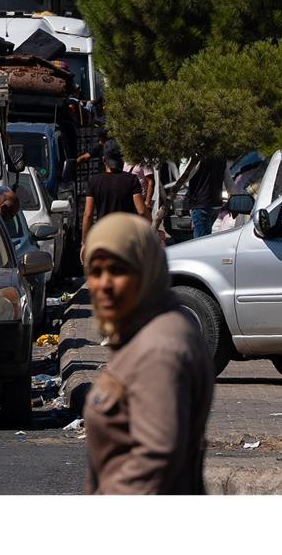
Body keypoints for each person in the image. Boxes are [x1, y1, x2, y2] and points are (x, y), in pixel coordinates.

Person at [82, 212, 215, 494]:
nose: (104, 285)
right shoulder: (147, 331)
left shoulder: (158, 349)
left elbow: (156, 459)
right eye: (96, 272)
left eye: (118, 270)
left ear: (146, 270)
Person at [80, 140, 147, 263]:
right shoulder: (131, 180)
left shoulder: (94, 181)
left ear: (104, 160)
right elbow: (142, 211)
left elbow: (88, 214)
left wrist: (85, 242)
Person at [187, 156, 228, 238]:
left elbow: (185, 177)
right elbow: (229, 181)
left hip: (201, 204)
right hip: (216, 204)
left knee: (200, 242)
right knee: (206, 238)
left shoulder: (198, 156)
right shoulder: (221, 157)